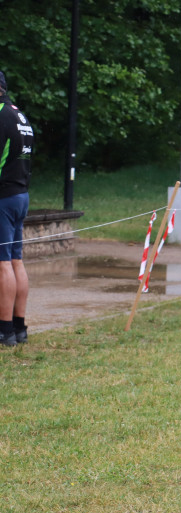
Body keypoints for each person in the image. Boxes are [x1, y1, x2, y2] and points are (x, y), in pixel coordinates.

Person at [0, 70, 33, 346]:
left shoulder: (0, 114)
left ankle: (4, 330)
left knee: (2, 264)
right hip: (21, 194)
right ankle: (19, 328)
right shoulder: (19, 115)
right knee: (15, 260)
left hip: (3, 197)